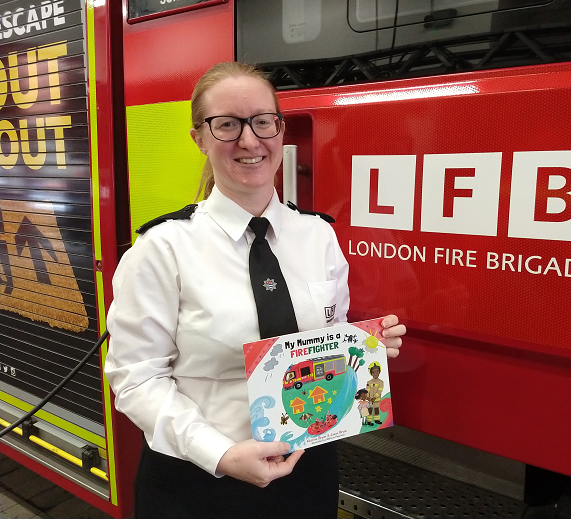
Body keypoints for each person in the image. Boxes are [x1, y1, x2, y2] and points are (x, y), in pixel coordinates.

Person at [104, 61, 406, 519]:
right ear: (199, 138)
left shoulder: (318, 234)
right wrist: (219, 453)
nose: (249, 140)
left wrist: (364, 348)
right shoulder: (162, 249)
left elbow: (322, 343)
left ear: (281, 130)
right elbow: (136, 379)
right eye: (226, 125)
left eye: (263, 122)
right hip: (199, 481)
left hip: (310, 470)